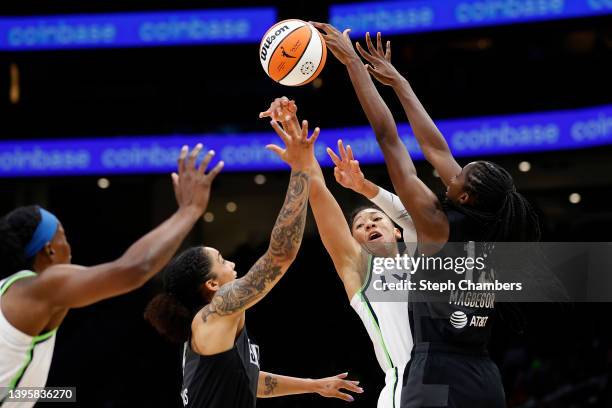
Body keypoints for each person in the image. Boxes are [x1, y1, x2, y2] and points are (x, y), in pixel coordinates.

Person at [311, 22, 540, 408]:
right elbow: (435, 148)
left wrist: (352, 63)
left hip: (436, 375)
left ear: (465, 195)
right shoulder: (489, 225)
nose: (451, 170)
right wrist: (399, 81)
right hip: (484, 377)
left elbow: (389, 139)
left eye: (459, 173)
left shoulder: (438, 226)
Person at [145, 120, 362, 407]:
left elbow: (252, 380)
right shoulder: (218, 309)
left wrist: (314, 385)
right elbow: (280, 254)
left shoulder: (212, 328)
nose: (232, 263)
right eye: (222, 260)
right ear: (211, 284)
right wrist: (299, 170)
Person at [0, 145, 223, 407]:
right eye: (63, 238)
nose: (69, 249)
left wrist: (53, 395)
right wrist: (189, 210)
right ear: (49, 249)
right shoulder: (44, 285)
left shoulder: (10, 291)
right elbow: (133, 269)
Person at [261, 97, 415, 408]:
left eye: (376, 218)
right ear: (355, 241)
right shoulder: (360, 270)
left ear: (396, 230)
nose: (369, 224)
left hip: (456, 377)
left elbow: (417, 216)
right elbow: (318, 192)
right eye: (360, 225)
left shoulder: (425, 255)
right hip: (408, 387)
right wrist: (297, 140)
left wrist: (365, 186)